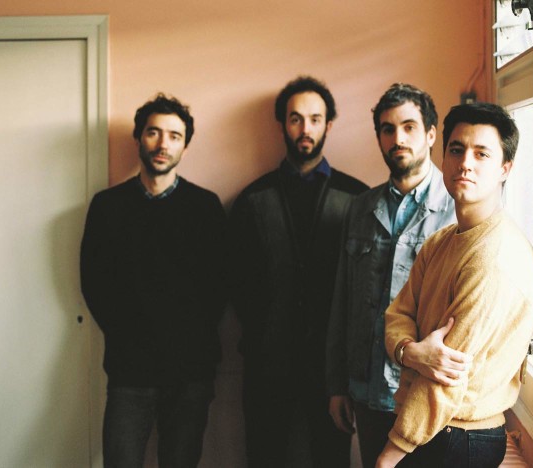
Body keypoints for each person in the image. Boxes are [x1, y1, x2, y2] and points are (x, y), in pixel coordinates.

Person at [377, 103, 533, 468]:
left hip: (461, 437)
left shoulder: (495, 257)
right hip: (432, 427)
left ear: (505, 168)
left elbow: (447, 377)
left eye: (482, 154)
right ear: (444, 157)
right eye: (456, 149)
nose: (465, 163)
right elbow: (397, 315)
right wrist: (409, 351)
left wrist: (391, 454)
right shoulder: (442, 241)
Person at [326, 83, 473, 468]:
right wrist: (337, 385)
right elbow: (343, 299)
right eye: (388, 130)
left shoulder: (458, 208)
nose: (398, 139)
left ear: (430, 134)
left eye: (409, 127)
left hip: (428, 396)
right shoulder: (361, 207)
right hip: (368, 391)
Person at [80, 93, 227, 468]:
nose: (163, 144)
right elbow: (94, 284)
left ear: (185, 146)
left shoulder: (206, 207)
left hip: (190, 371)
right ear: (138, 138)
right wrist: (128, 337)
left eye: (174, 136)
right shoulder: (107, 207)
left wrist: (190, 340)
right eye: (154, 132)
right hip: (129, 370)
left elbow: (220, 287)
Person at [229, 76, 368, 468]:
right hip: (267, 362)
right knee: (264, 457)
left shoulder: (357, 197)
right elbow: (236, 278)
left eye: (315, 119)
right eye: (295, 119)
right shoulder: (252, 199)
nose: (305, 128)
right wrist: (260, 331)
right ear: (282, 125)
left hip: (333, 368)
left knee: (331, 459)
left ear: (328, 125)